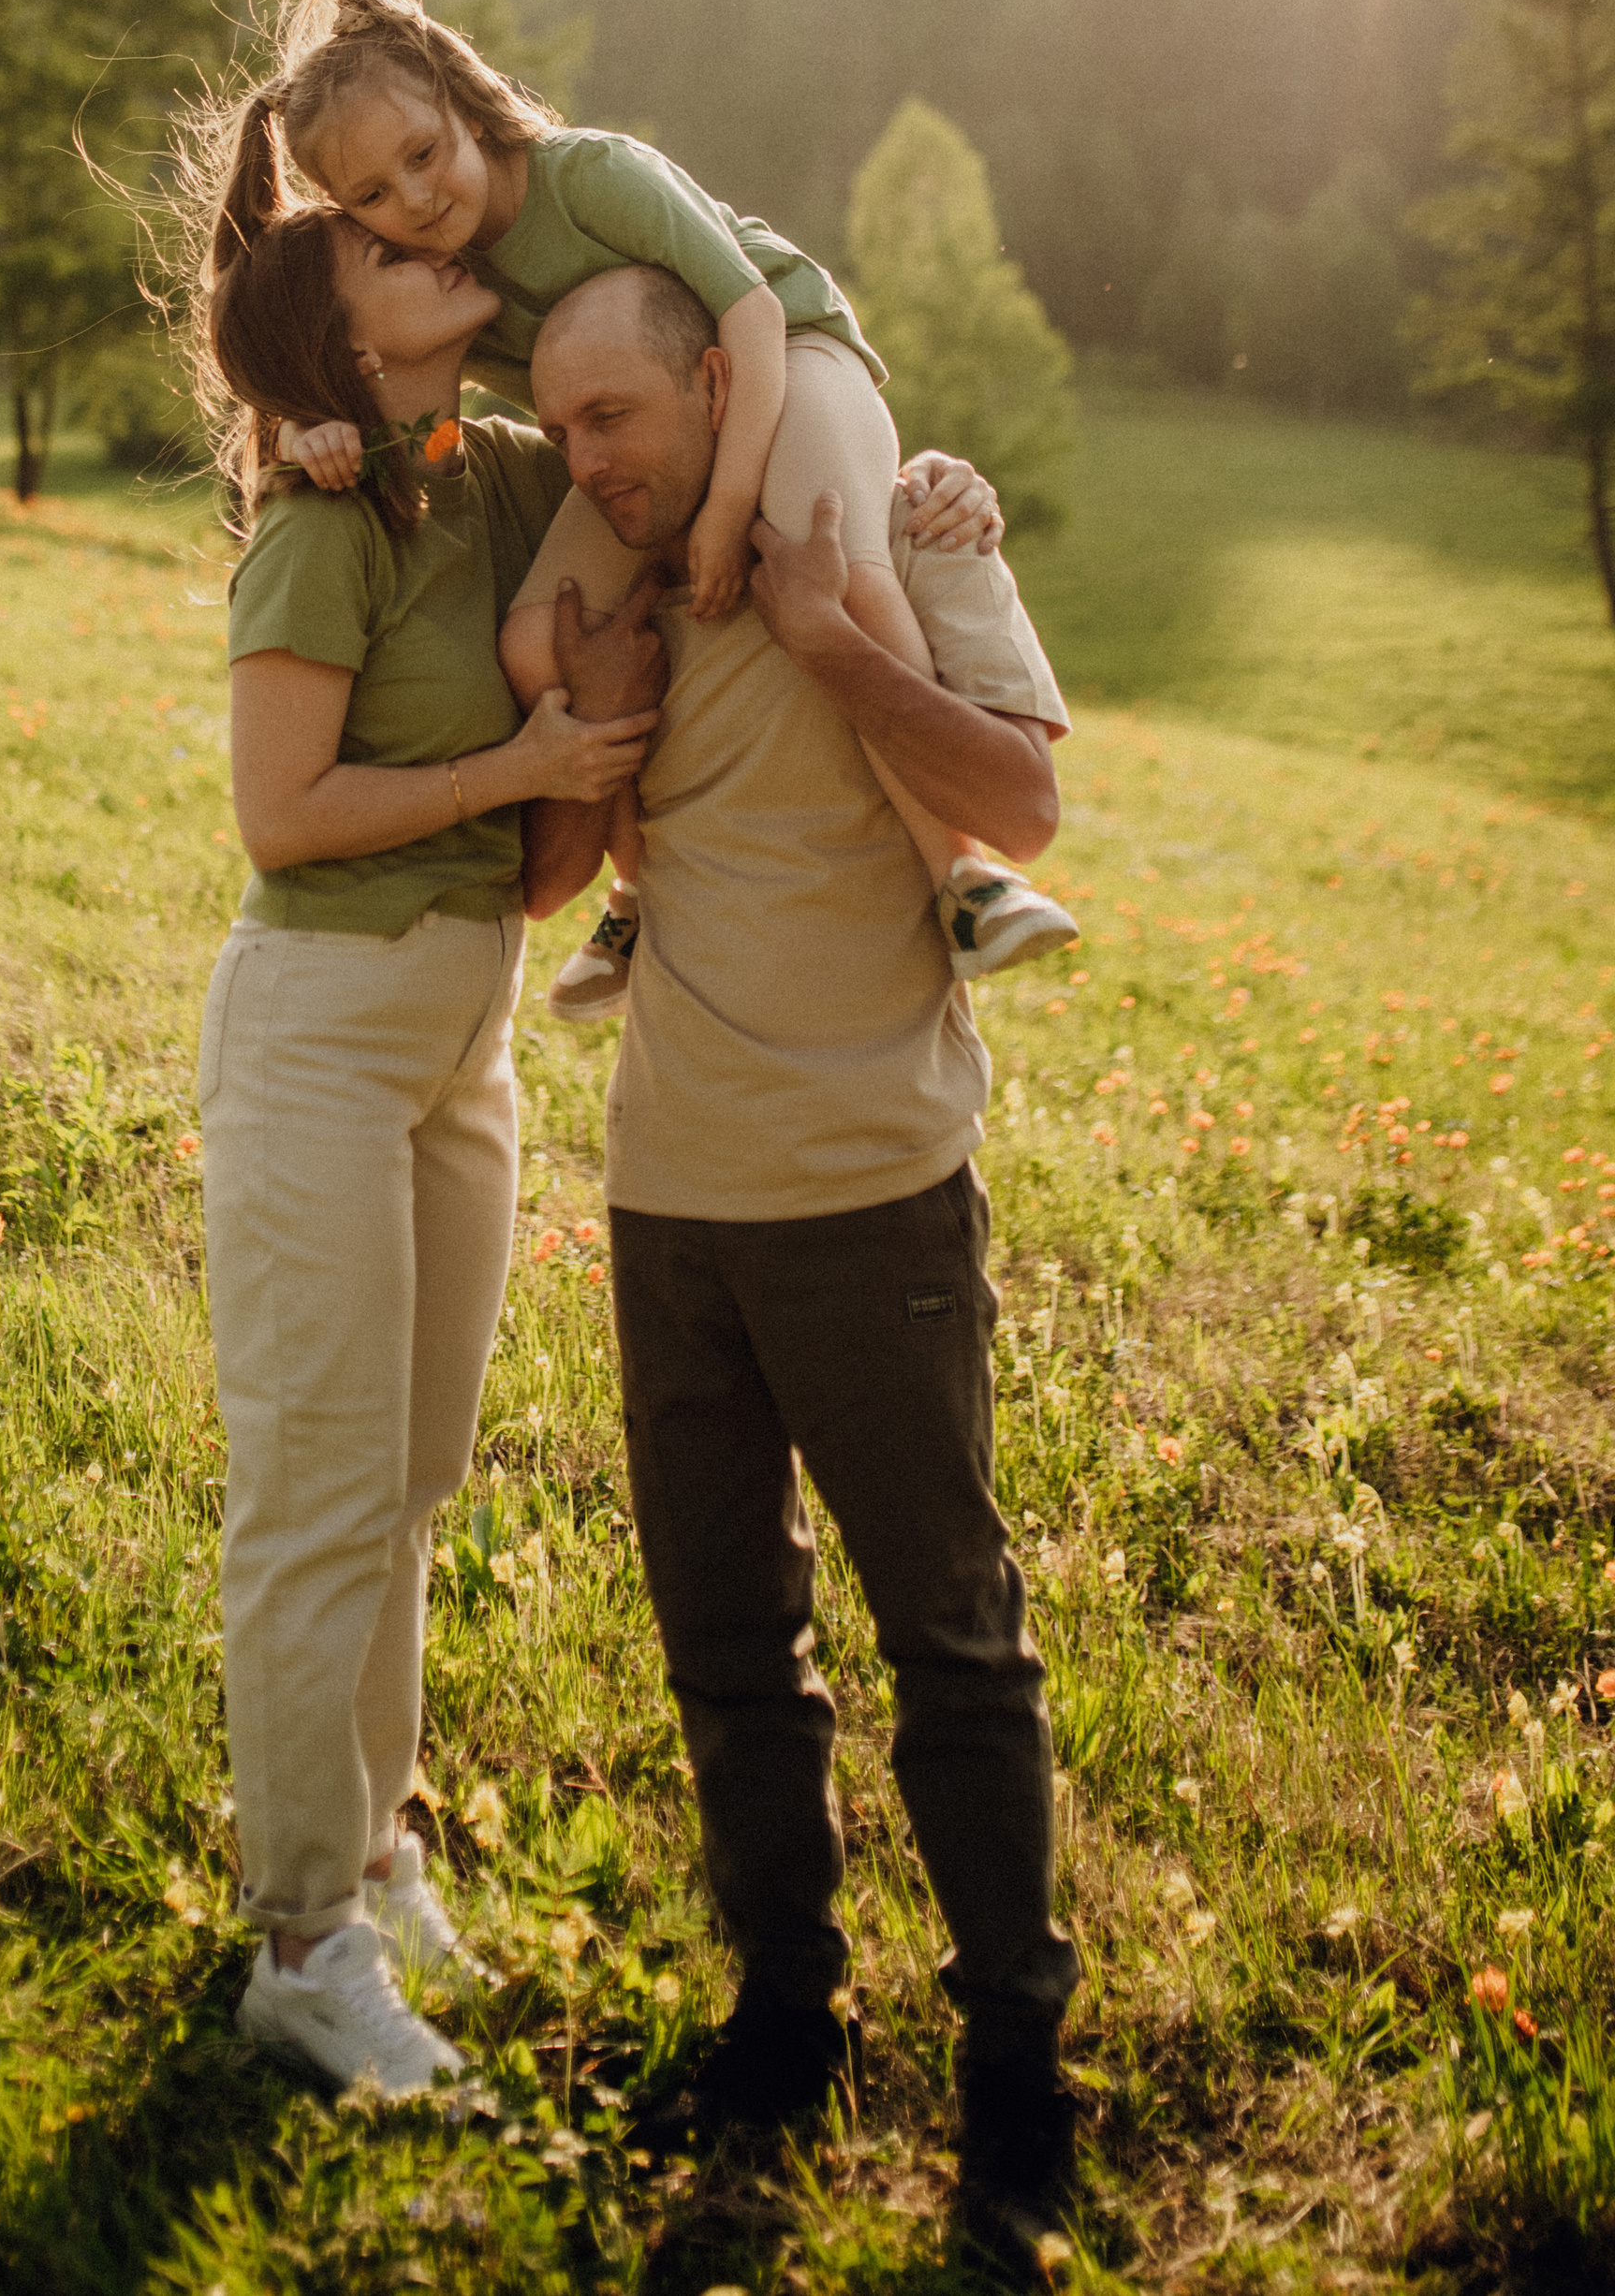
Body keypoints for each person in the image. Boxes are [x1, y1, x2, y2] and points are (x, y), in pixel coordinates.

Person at [521, 262, 1083, 2272]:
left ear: (715, 382)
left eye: (617, 420)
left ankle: (1016, 2065)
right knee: (722, 1647)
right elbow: (549, 883)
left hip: (867, 1199)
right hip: (668, 1200)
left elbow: (1021, 800)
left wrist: (842, 647)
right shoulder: (614, 578)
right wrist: (584, 736)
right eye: (561, 427)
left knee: (947, 1639)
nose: (587, 460)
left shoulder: (886, 526)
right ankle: (784, 2016)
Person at [183, 101, 661, 2100]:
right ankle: (300, 1947)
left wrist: (925, 495)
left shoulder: (497, 469)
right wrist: (512, 769)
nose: (429, 235)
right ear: (337, 329)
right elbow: (279, 819)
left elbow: (655, 414)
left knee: (412, 1482)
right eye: (384, 247)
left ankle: (372, 1847)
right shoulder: (317, 523)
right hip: (316, 1030)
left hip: (460, 1037)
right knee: (309, 1504)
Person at [255, 0, 1076, 1024]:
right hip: (656, 423)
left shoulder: (587, 177)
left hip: (793, 358)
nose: (414, 199)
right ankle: (634, 893)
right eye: (372, 195)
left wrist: (730, 515)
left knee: (842, 573)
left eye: (424, 154)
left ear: (462, 104)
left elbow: (753, 319)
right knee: (532, 643)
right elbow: (372, 385)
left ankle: (960, 876)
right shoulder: (450, 278)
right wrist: (301, 430)